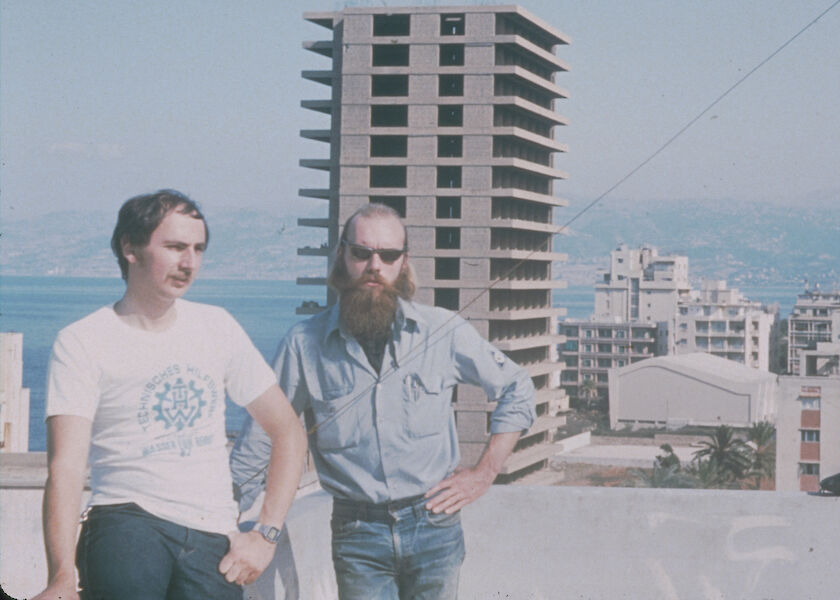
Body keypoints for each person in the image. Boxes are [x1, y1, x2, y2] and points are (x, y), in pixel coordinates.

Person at [231, 203, 536, 600]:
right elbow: (263, 437)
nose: (375, 265)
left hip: (434, 527)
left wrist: (484, 473)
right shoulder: (304, 344)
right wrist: (217, 517)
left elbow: (517, 387)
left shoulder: (442, 331)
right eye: (362, 253)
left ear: (403, 263)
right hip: (358, 534)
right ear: (342, 256)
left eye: (388, 255)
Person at [34, 190, 307, 600]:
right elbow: (67, 467)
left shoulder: (217, 327)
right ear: (130, 248)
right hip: (128, 523)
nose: (189, 262)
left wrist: (265, 535)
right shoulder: (83, 341)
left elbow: (287, 431)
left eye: (198, 249)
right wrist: (60, 576)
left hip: (213, 538)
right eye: (175, 247)